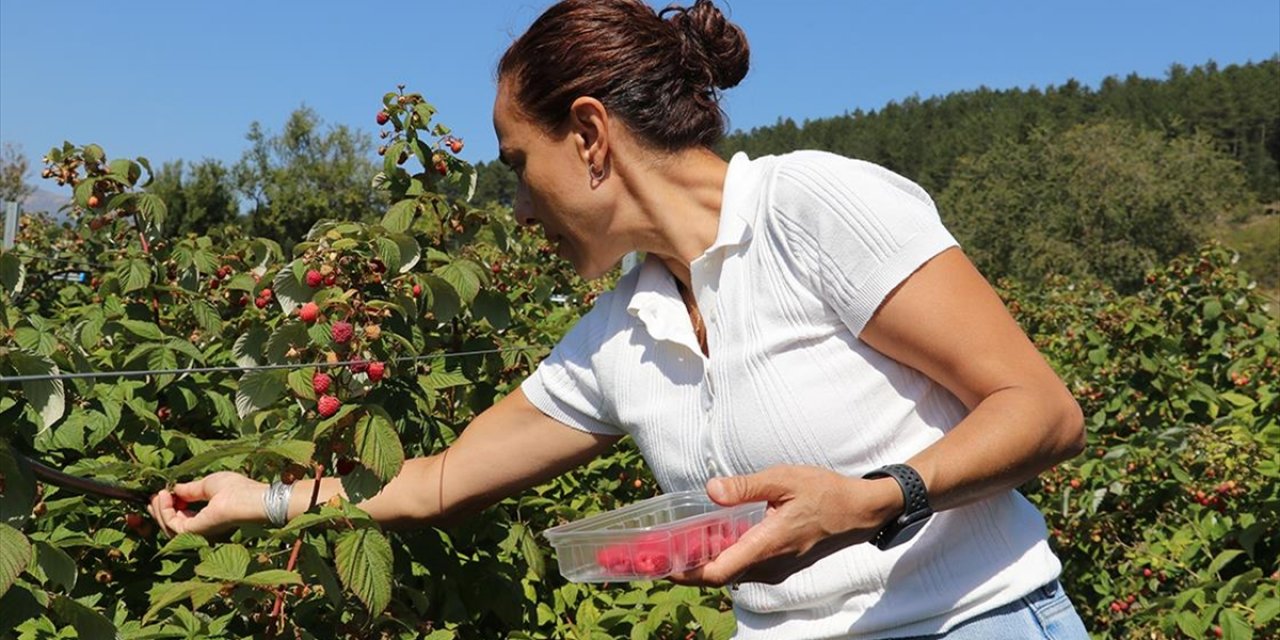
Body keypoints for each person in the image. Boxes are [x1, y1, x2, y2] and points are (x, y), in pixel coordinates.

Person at [149, 1, 1092, 637]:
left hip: (976, 622)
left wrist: (872, 500)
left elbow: (1042, 412)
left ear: (591, 136)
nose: (517, 209)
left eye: (519, 163)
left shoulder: (810, 208)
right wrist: (260, 500)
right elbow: (437, 484)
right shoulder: (619, 330)